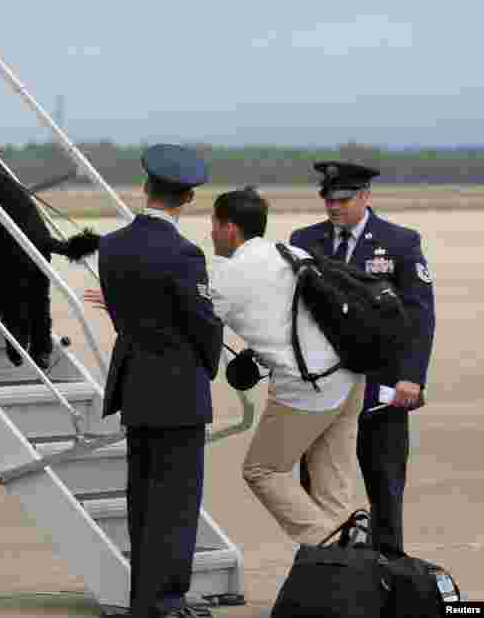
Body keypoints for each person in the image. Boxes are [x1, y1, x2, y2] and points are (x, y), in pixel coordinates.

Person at [91, 144, 223, 618]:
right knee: (177, 502)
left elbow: (125, 314)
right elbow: (204, 325)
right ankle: (166, 602)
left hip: (135, 385)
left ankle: (145, 599)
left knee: (143, 501)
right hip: (178, 390)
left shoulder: (112, 246)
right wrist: (207, 365)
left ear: (146, 189)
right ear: (187, 197)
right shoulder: (184, 254)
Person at [291, 162, 436, 559]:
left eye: (343, 199)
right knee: (318, 483)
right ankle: (320, 566)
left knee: (385, 481)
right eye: (328, 199)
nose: (334, 207)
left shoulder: (400, 242)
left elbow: (420, 316)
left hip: (380, 388)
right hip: (325, 386)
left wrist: (412, 377)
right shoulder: (305, 240)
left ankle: (389, 569)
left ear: (365, 197)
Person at [207, 187, 364, 544]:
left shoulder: (231, 274)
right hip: (350, 377)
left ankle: (331, 542)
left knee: (262, 470)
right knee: (331, 488)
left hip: (309, 389)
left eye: (213, 224)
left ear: (229, 228)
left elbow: (198, 325)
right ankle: (345, 576)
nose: (211, 233)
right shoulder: (290, 252)